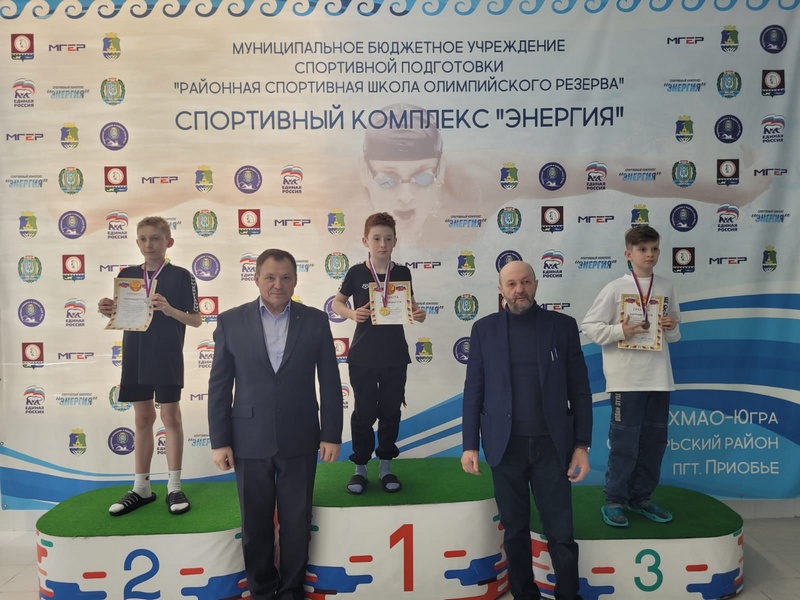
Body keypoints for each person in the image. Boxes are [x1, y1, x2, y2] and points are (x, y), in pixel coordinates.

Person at [207, 248, 343, 600]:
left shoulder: (315, 321)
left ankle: (291, 590)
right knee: (255, 526)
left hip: (301, 437)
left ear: (295, 280)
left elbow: (330, 380)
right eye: (270, 277)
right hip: (248, 439)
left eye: (285, 277)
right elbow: (219, 385)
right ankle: (263, 591)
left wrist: (331, 433)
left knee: (297, 524)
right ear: (256, 279)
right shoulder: (231, 321)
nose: (277, 284)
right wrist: (220, 440)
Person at [461, 260, 592, 600]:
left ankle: (568, 595)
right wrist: (469, 444)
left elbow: (580, 390)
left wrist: (582, 446)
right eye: (511, 284)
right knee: (515, 531)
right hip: (505, 447)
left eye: (525, 282)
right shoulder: (484, 329)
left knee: (561, 533)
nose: (519, 289)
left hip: (553, 446)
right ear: (500, 289)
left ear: (535, 283)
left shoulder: (562, 326)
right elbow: (474, 390)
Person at [97, 216, 201, 516]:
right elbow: (124, 315)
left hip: (166, 354)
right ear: (137, 242)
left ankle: (174, 487)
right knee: (142, 418)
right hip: (136, 354)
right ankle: (141, 488)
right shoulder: (127, 275)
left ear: (169, 242)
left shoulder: (182, 276)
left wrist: (168, 309)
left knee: (170, 417)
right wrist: (108, 310)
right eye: (143, 238)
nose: (149, 244)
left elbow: (196, 320)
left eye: (155, 238)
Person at [581, 225, 681, 528]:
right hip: (626, 379)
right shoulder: (615, 288)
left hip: (659, 378)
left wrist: (670, 326)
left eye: (654, 249)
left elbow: (675, 335)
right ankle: (614, 500)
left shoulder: (666, 287)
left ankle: (641, 498)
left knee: (654, 443)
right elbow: (590, 326)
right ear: (628, 254)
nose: (649, 255)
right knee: (625, 443)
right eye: (642, 249)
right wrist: (620, 330)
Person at [332, 212, 426, 494]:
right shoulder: (356, 273)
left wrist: (418, 314)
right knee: (363, 413)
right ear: (365, 241)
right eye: (376, 238)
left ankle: (386, 466)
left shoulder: (402, 273)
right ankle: (360, 468)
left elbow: (410, 305)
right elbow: (337, 303)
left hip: (395, 355)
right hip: (363, 356)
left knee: (390, 412)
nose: (382, 244)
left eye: (387, 238)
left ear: (395, 241)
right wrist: (352, 314)